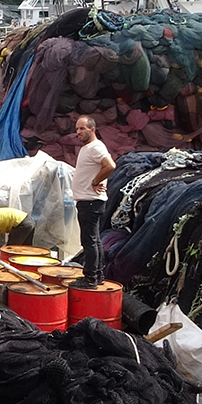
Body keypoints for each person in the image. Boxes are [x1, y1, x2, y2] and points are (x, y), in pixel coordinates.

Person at [72, 115, 116, 287]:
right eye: (76, 129)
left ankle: (90, 278)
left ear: (92, 129)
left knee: (89, 241)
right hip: (89, 201)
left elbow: (110, 166)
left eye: (82, 128)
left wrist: (96, 181)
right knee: (95, 240)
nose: (78, 132)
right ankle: (97, 275)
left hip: (90, 201)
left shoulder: (96, 147)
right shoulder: (88, 148)